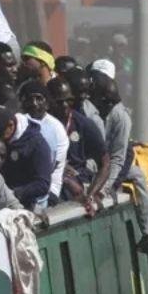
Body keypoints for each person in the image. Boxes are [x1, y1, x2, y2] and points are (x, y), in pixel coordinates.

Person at [91, 75, 148, 257]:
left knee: (138, 175)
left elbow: (117, 158)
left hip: (106, 165)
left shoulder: (120, 117)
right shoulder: (91, 112)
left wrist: (104, 188)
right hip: (91, 163)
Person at [47, 77, 109, 210]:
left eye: (68, 100)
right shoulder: (41, 125)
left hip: (78, 182)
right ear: (48, 101)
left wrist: (91, 194)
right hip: (51, 181)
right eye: (59, 101)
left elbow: (105, 164)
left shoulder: (84, 124)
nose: (64, 105)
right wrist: (63, 173)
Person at [0, 107, 53, 210]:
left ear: (10, 125)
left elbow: (43, 184)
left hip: (22, 204)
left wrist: (14, 193)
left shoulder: (37, 145)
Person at [21, 81, 69, 206]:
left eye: (39, 99)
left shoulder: (55, 128)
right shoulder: (19, 122)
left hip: (48, 188)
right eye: (30, 99)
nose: (34, 103)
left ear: (47, 104)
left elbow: (49, 166)